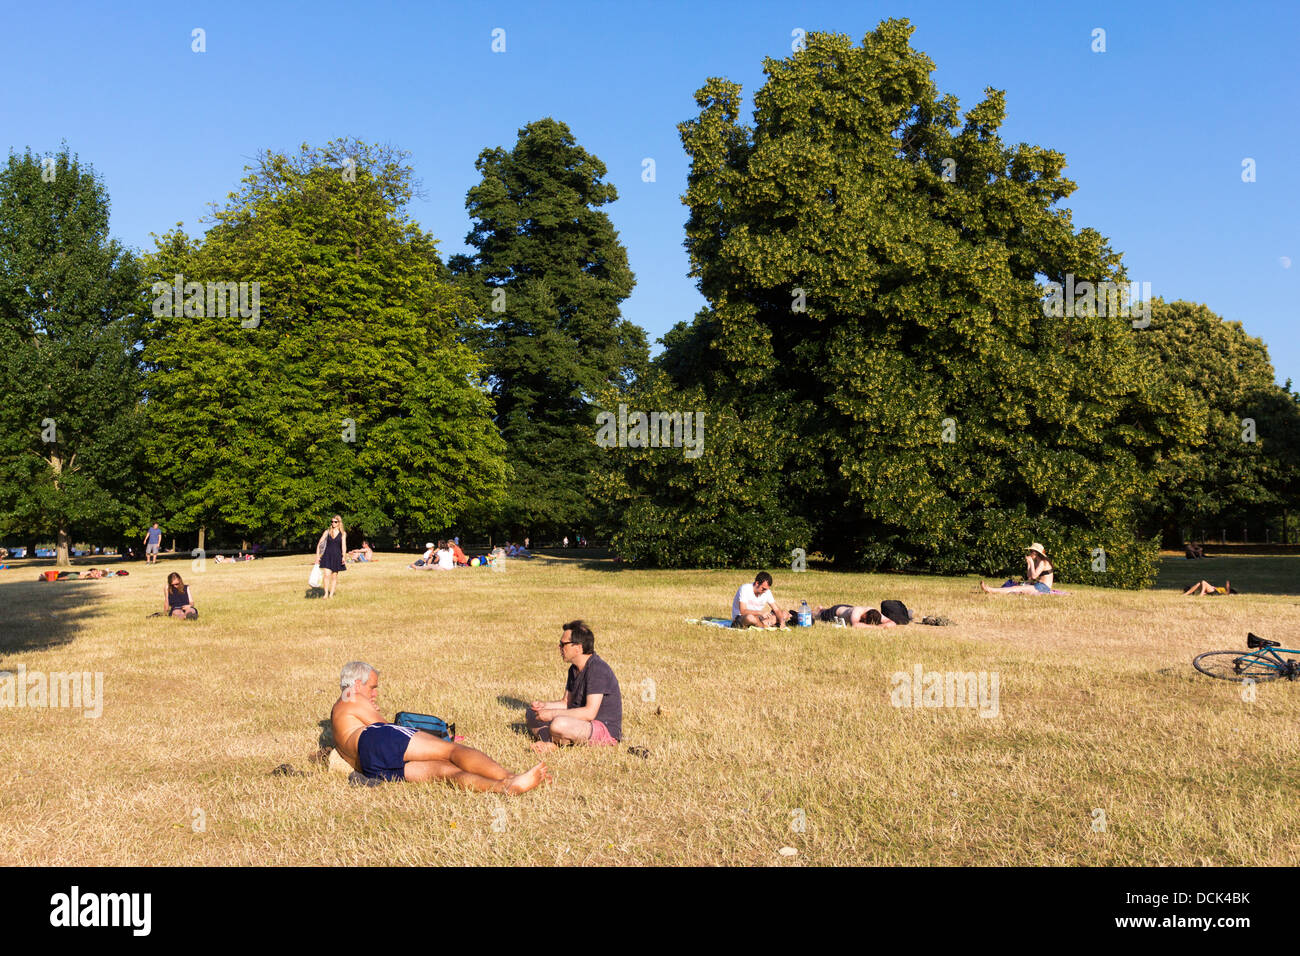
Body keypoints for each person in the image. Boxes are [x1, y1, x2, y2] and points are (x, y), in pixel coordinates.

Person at [332, 662, 549, 791]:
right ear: (358, 684)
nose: (375, 693)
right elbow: (382, 729)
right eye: (372, 687)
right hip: (374, 741)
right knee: (452, 751)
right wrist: (374, 711)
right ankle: (510, 777)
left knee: (444, 772)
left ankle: (502, 788)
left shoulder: (338, 712)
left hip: (370, 765)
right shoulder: (352, 696)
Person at [526, 621, 622, 753]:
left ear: (578, 648)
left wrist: (551, 714)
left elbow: (590, 713)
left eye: (563, 644)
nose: (559, 647)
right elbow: (566, 702)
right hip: (578, 722)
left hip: (602, 728)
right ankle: (552, 742)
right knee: (531, 713)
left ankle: (553, 739)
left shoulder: (597, 669)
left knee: (558, 724)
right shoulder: (573, 669)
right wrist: (544, 706)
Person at [981, 543, 1057, 595]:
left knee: (1015, 588)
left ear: (1036, 553)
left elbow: (1034, 576)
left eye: (1031, 551)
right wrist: (1029, 564)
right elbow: (1029, 577)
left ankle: (990, 590)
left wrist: (1031, 563)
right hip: (1040, 585)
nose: (1029, 553)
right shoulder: (1038, 561)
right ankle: (991, 590)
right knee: (1016, 587)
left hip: (1043, 588)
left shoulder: (1042, 562)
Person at [314, 515, 347, 598]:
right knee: (326, 575)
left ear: (339, 523)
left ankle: (331, 594)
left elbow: (343, 546)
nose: (333, 523)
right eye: (332, 521)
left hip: (337, 556)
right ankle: (326, 594)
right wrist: (317, 556)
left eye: (335, 522)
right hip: (327, 555)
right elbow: (319, 544)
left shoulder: (343, 534)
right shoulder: (327, 532)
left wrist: (344, 556)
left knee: (334, 576)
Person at [812, 605, 896, 628]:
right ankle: (818, 611)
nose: (862, 621)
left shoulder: (875, 613)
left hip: (846, 608)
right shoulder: (857, 611)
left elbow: (892, 623)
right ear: (865, 614)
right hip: (834, 612)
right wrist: (879, 628)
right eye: (863, 619)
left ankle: (822, 609)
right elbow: (855, 625)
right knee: (816, 616)